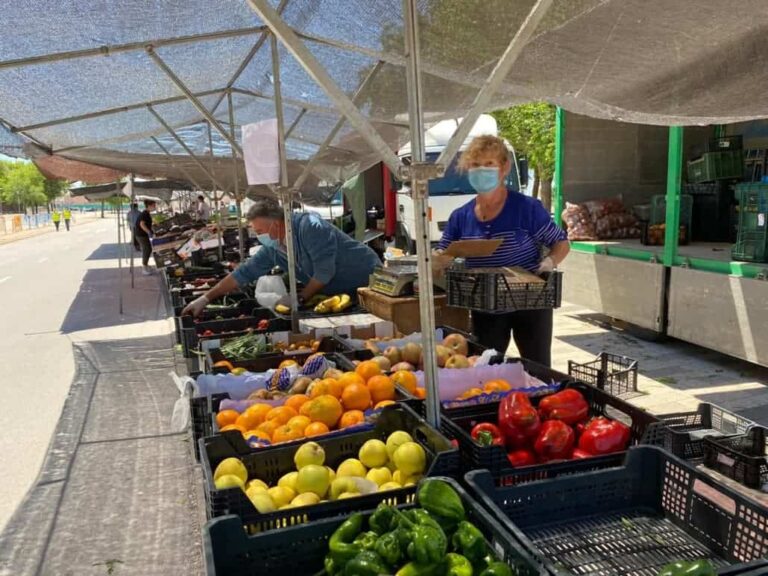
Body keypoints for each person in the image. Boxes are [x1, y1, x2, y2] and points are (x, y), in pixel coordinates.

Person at [435, 135, 570, 366]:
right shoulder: (461, 216)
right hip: (485, 305)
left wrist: (550, 262)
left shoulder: (526, 208)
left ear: (504, 167)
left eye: (489, 164)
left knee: (536, 367)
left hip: (530, 302)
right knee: (487, 366)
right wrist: (438, 261)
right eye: (476, 165)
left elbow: (561, 243)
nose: (482, 170)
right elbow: (444, 252)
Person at [183, 198, 381, 316]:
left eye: (260, 230)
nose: (258, 236)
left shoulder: (310, 227)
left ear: (276, 225)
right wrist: (205, 298)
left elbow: (324, 272)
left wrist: (300, 297)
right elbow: (244, 273)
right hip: (340, 294)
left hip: (367, 280)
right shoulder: (274, 247)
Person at [134, 200, 157, 276]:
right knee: (147, 249)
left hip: (142, 235)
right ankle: (144, 267)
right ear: (149, 206)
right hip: (141, 235)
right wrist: (148, 232)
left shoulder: (146, 213)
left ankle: (146, 265)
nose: (154, 207)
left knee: (148, 249)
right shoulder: (144, 214)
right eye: (153, 205)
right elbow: (142, 224)